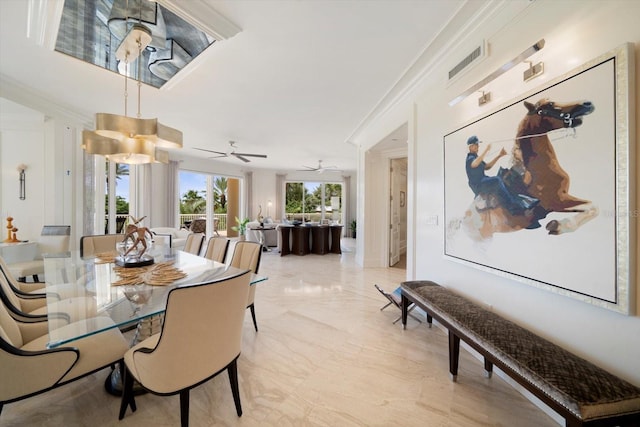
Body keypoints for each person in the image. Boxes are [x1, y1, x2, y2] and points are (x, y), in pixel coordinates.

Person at [465, 135, 535, 215]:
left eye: (478, 145)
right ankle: (511, 206)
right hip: (478, 184)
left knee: (501, 178)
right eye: (476, 145)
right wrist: (486, 150)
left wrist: (499, 155)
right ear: (470, 147)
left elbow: (487, 167)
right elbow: (474, 164)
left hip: (483, 180)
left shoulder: (476, 157)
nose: (478, 147)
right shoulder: (470, 158)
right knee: (497, 180)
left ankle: (520, 202)